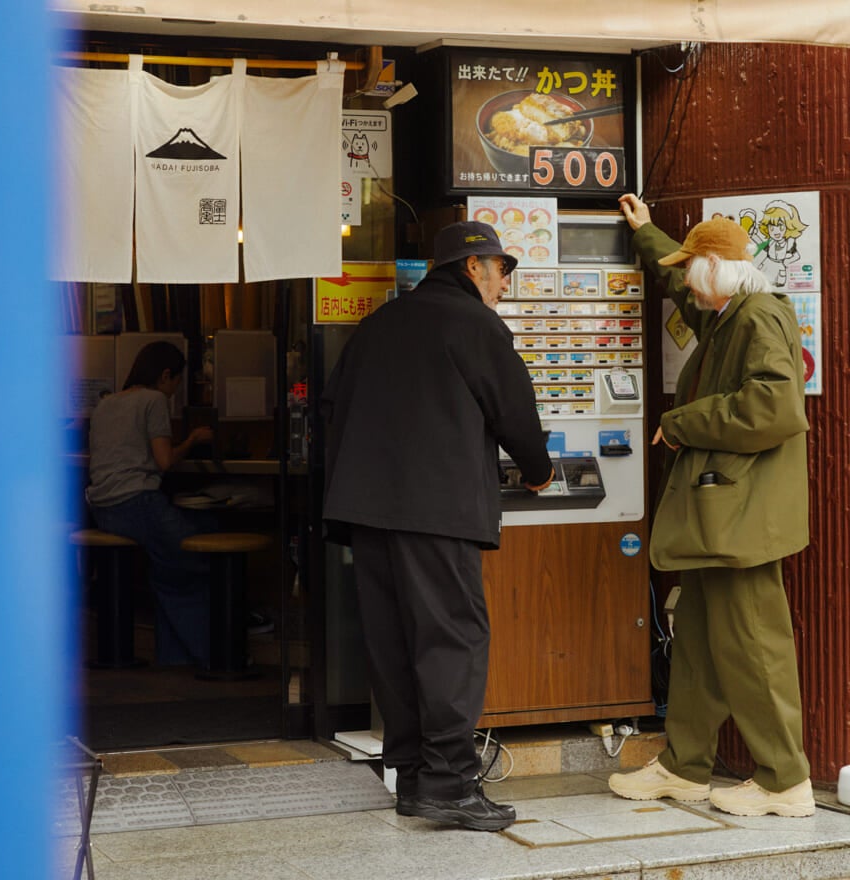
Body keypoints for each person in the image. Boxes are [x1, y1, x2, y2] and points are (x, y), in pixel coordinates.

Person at [321, 220, 554, 831]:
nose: (506, 283)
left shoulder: (376, 326)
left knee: (394, 640)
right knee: (451, 639)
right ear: (473, 267)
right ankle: (449, 782)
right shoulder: (476, 324)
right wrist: (537, 469)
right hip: (436, 512)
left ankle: (413, 777)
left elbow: (332, 410)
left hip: (366, 513)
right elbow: (516, 414)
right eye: (504, 269)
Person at [609, 193, 814, 817]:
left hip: (740, 521)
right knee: (696, 642)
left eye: (696, 276)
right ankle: (684, 766)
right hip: (721, 517)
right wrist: (647, 234)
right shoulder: (731, 313)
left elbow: (776, 408)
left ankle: (785, 780)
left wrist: (681, 422)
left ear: (715, 275)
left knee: (756, 645)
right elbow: (677, 282)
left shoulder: (756, 320)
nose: (690, 290)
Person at [86, 341, 215, 667]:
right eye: (176, 383)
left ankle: (176, 658)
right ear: (166, 375)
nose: (174, 392)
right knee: (200, 559)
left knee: (166, 569)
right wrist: (192, 440)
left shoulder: (106, 404)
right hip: (138, 502)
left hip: (102, 509)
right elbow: (164, 461)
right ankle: (210, 656)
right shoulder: (154, 400)